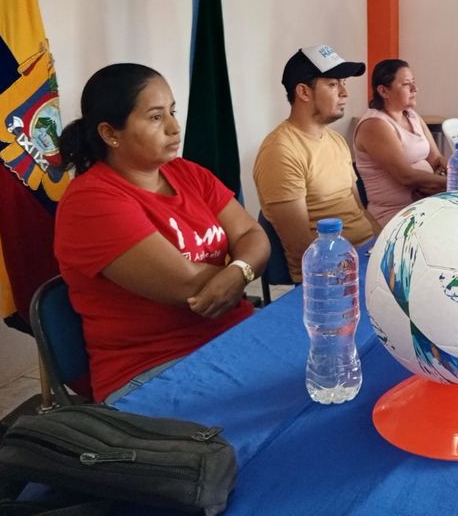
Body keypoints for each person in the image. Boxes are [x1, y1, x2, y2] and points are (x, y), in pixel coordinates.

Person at [54, 64, 270, 404]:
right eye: (156, 117)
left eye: (172, 111)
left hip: (230, 335)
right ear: (110, 133)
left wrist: (239, 271)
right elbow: (187, 286)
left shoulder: (186, 173)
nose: (174, 127)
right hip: (153, 368)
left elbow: (252, 233)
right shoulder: (90, 201)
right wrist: (244, 268)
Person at [253, 45, 379, 283]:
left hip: (365, 258)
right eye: (333, 84)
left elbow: (360, 211)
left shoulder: (335, 140)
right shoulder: (280, 152)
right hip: (329, 277)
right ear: (303, 92)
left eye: (344, 83)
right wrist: (356, 274)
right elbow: (301, 247)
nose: (345, 93)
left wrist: (384, 246)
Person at [353, 59, 447, 226]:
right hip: (396, 217)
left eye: (413, 82)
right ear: (383, 91)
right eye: (406, 84)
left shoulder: (412, 115)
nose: (414, 88)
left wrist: (440, 174)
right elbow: (406, 177)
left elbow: (436, 159)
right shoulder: (374, 125)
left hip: (424, 205)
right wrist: (453, 183)